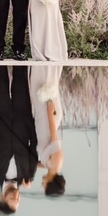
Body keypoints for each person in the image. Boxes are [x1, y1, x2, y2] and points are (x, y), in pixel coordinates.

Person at [0, 64, 38, 214]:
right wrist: (30, 125)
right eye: (18, 200)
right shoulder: (28, 176)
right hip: (23, 118)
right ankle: (18, 51)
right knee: (21, 81)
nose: (16, 196)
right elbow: (34, 147)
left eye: (12, 199)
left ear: (2, 198)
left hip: (1, 120)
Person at [30, 63, 66, 197]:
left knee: (35, 86)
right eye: (44, 187)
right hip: (49, 119)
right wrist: (50, 114)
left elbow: (37, 163)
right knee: (45, 83)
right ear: (51, 184)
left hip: (42, 122)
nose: (42, 185)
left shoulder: (48, 166)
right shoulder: (56, 164)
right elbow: (54, 139)